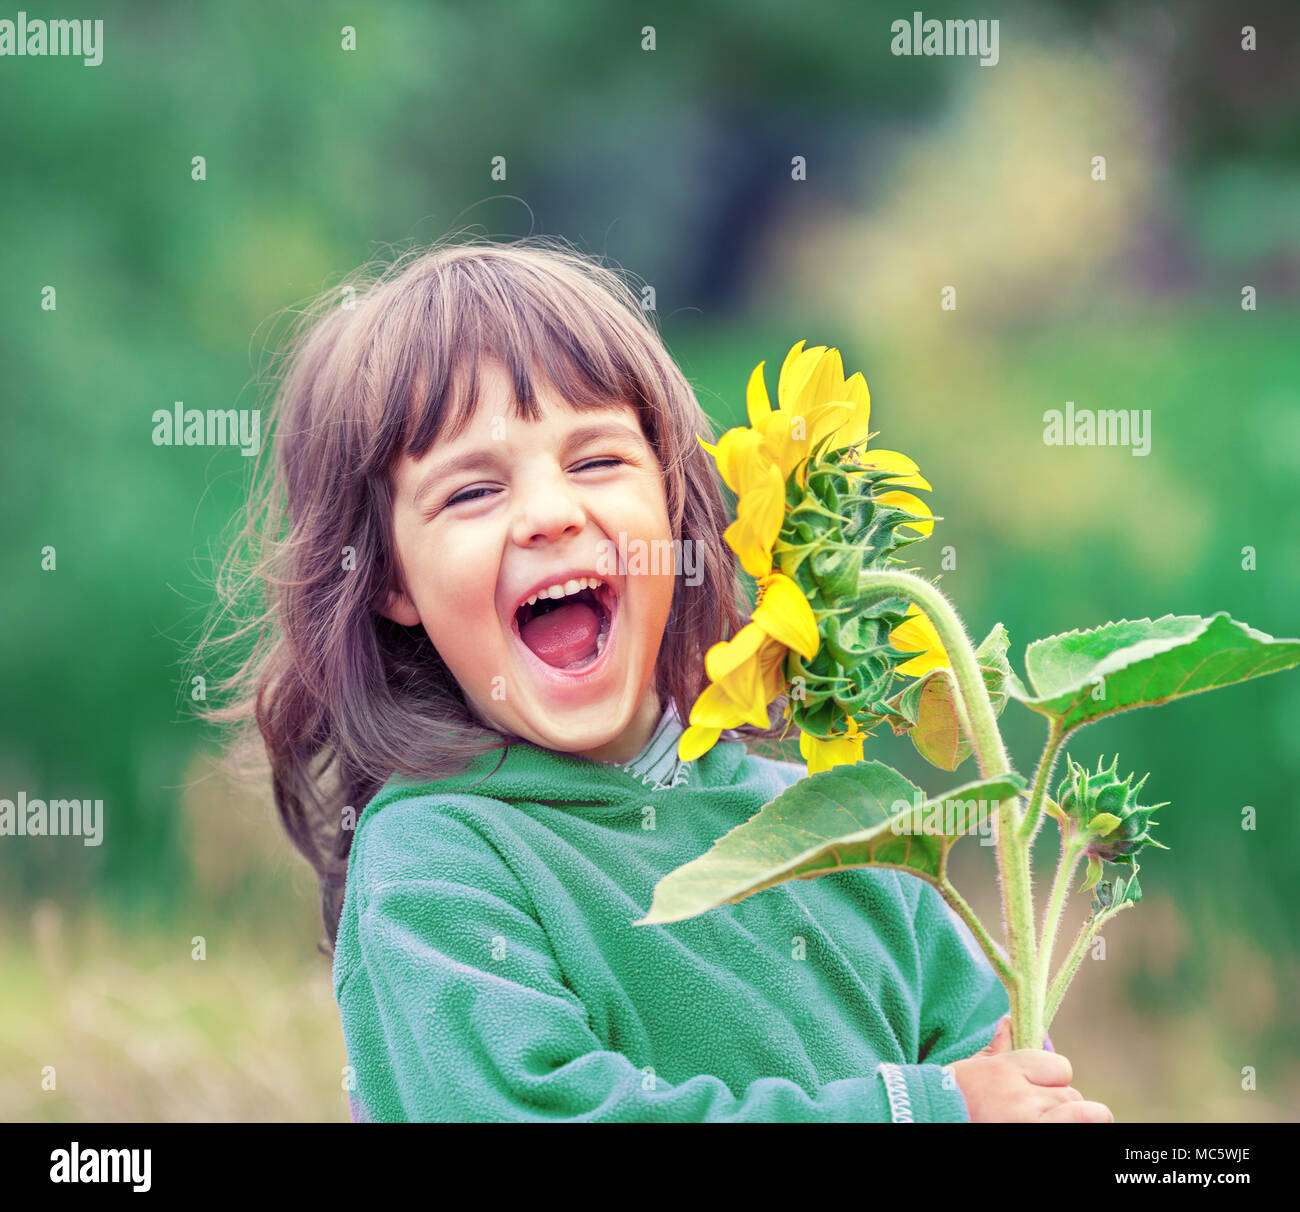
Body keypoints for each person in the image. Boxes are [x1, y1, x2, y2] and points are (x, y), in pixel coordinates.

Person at [204, 234, 1113, 1123]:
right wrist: (916, 1111)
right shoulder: (438, 861)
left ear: (676, 512)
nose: (550, 515)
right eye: (472, 491)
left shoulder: (850, 832)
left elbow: (988, 1069)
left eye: (596, 460)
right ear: (391, 578)